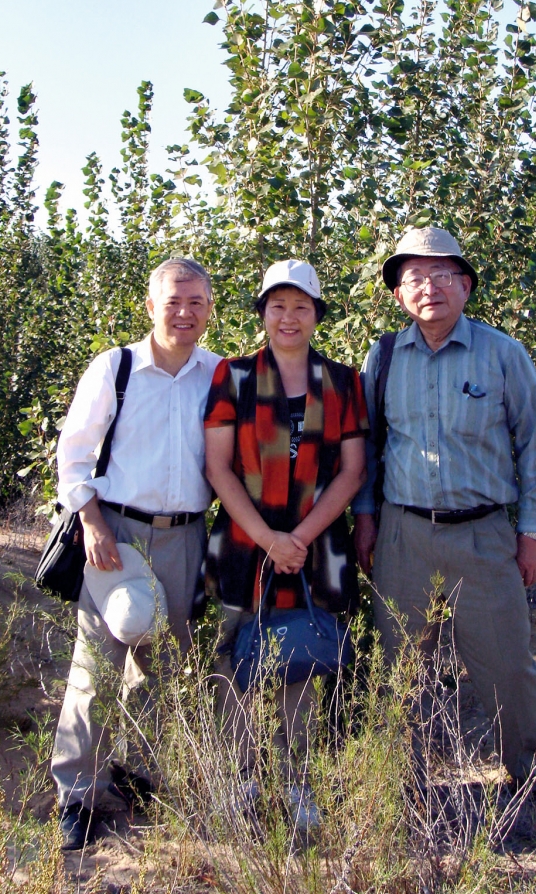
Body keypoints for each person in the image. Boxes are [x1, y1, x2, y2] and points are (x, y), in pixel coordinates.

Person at [352, 226, 536, 818]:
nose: (429, 288)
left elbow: (535, 447)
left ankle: (528, 768)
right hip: (403, 534)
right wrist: (368, 520)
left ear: (466, 286)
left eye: (442, 275)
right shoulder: (382, 357)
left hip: (484, 534)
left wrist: (531, 532)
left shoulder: (502, 354)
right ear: (399, 295)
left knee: (506, 662)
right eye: (414, 278)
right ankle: (401, 778)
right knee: (397, 662)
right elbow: (372, 447)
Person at [51, 257, 220, 849]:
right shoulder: (116, 368)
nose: (185, 312)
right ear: (151, 306)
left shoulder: (217, 374)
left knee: (160, 665)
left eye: (196, 302)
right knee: (96, 666)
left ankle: (133, 772)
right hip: (116, 533)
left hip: (188, 536)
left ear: (209, 308)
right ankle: (77, 794)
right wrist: (90, 520)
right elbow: (72, 456)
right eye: (173, 301)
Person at [204, 259, 368, 831]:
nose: (289, 317)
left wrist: (297, 537)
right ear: (263, 314)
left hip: (317, 548)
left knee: (302, 659)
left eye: (301, 306)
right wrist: (269, 537)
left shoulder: (344, 382)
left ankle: (297, 782)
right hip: (244, 548)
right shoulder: (234, 376)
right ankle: (243, 780)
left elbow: (352, 472)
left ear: (318, 315)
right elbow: (219, 469)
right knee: (237, 659)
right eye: (278, 306)